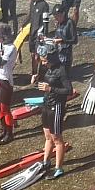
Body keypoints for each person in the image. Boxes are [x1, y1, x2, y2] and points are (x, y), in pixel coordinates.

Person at [31, 45, 72, 179]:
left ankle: (59, 168)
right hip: (46, 105)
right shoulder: (47, 68)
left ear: (52, 59)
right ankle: (46, 161)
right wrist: (36, 78)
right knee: (48, 136)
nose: (43, 63)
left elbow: (69, 90)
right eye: (42, 60)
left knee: (57, 139)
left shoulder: (61, 70)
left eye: (45, 60)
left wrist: (51, 89)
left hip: (57, 106)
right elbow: (44, 80)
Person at [0, 23, 19, 144]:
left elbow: (1, 62)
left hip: (6, 80)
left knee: (5, 108)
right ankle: (4, 130)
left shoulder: (11, 47)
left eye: (0, 36)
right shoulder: (2, 44)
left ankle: (9, 133)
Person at [25, 0, 49, 77]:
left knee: (37, 55)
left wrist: (44, 35)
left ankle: (39, 74)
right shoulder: (32, 4)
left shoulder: (44, 5)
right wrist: (23, 25)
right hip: (32, 33)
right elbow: (30, 16)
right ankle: (34, 72)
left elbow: (45, 22)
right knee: (32, 54)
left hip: (39, 35)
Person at [51, 4, 77, 73]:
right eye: (55, 17)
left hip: (66, 55)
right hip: (58, 52)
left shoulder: (70, 23)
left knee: (64, 75)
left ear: (63, 14)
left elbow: (75, 40)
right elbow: (57, 35)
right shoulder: (58, 23)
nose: (56, 18)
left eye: (58, 16)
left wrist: (62, 41)